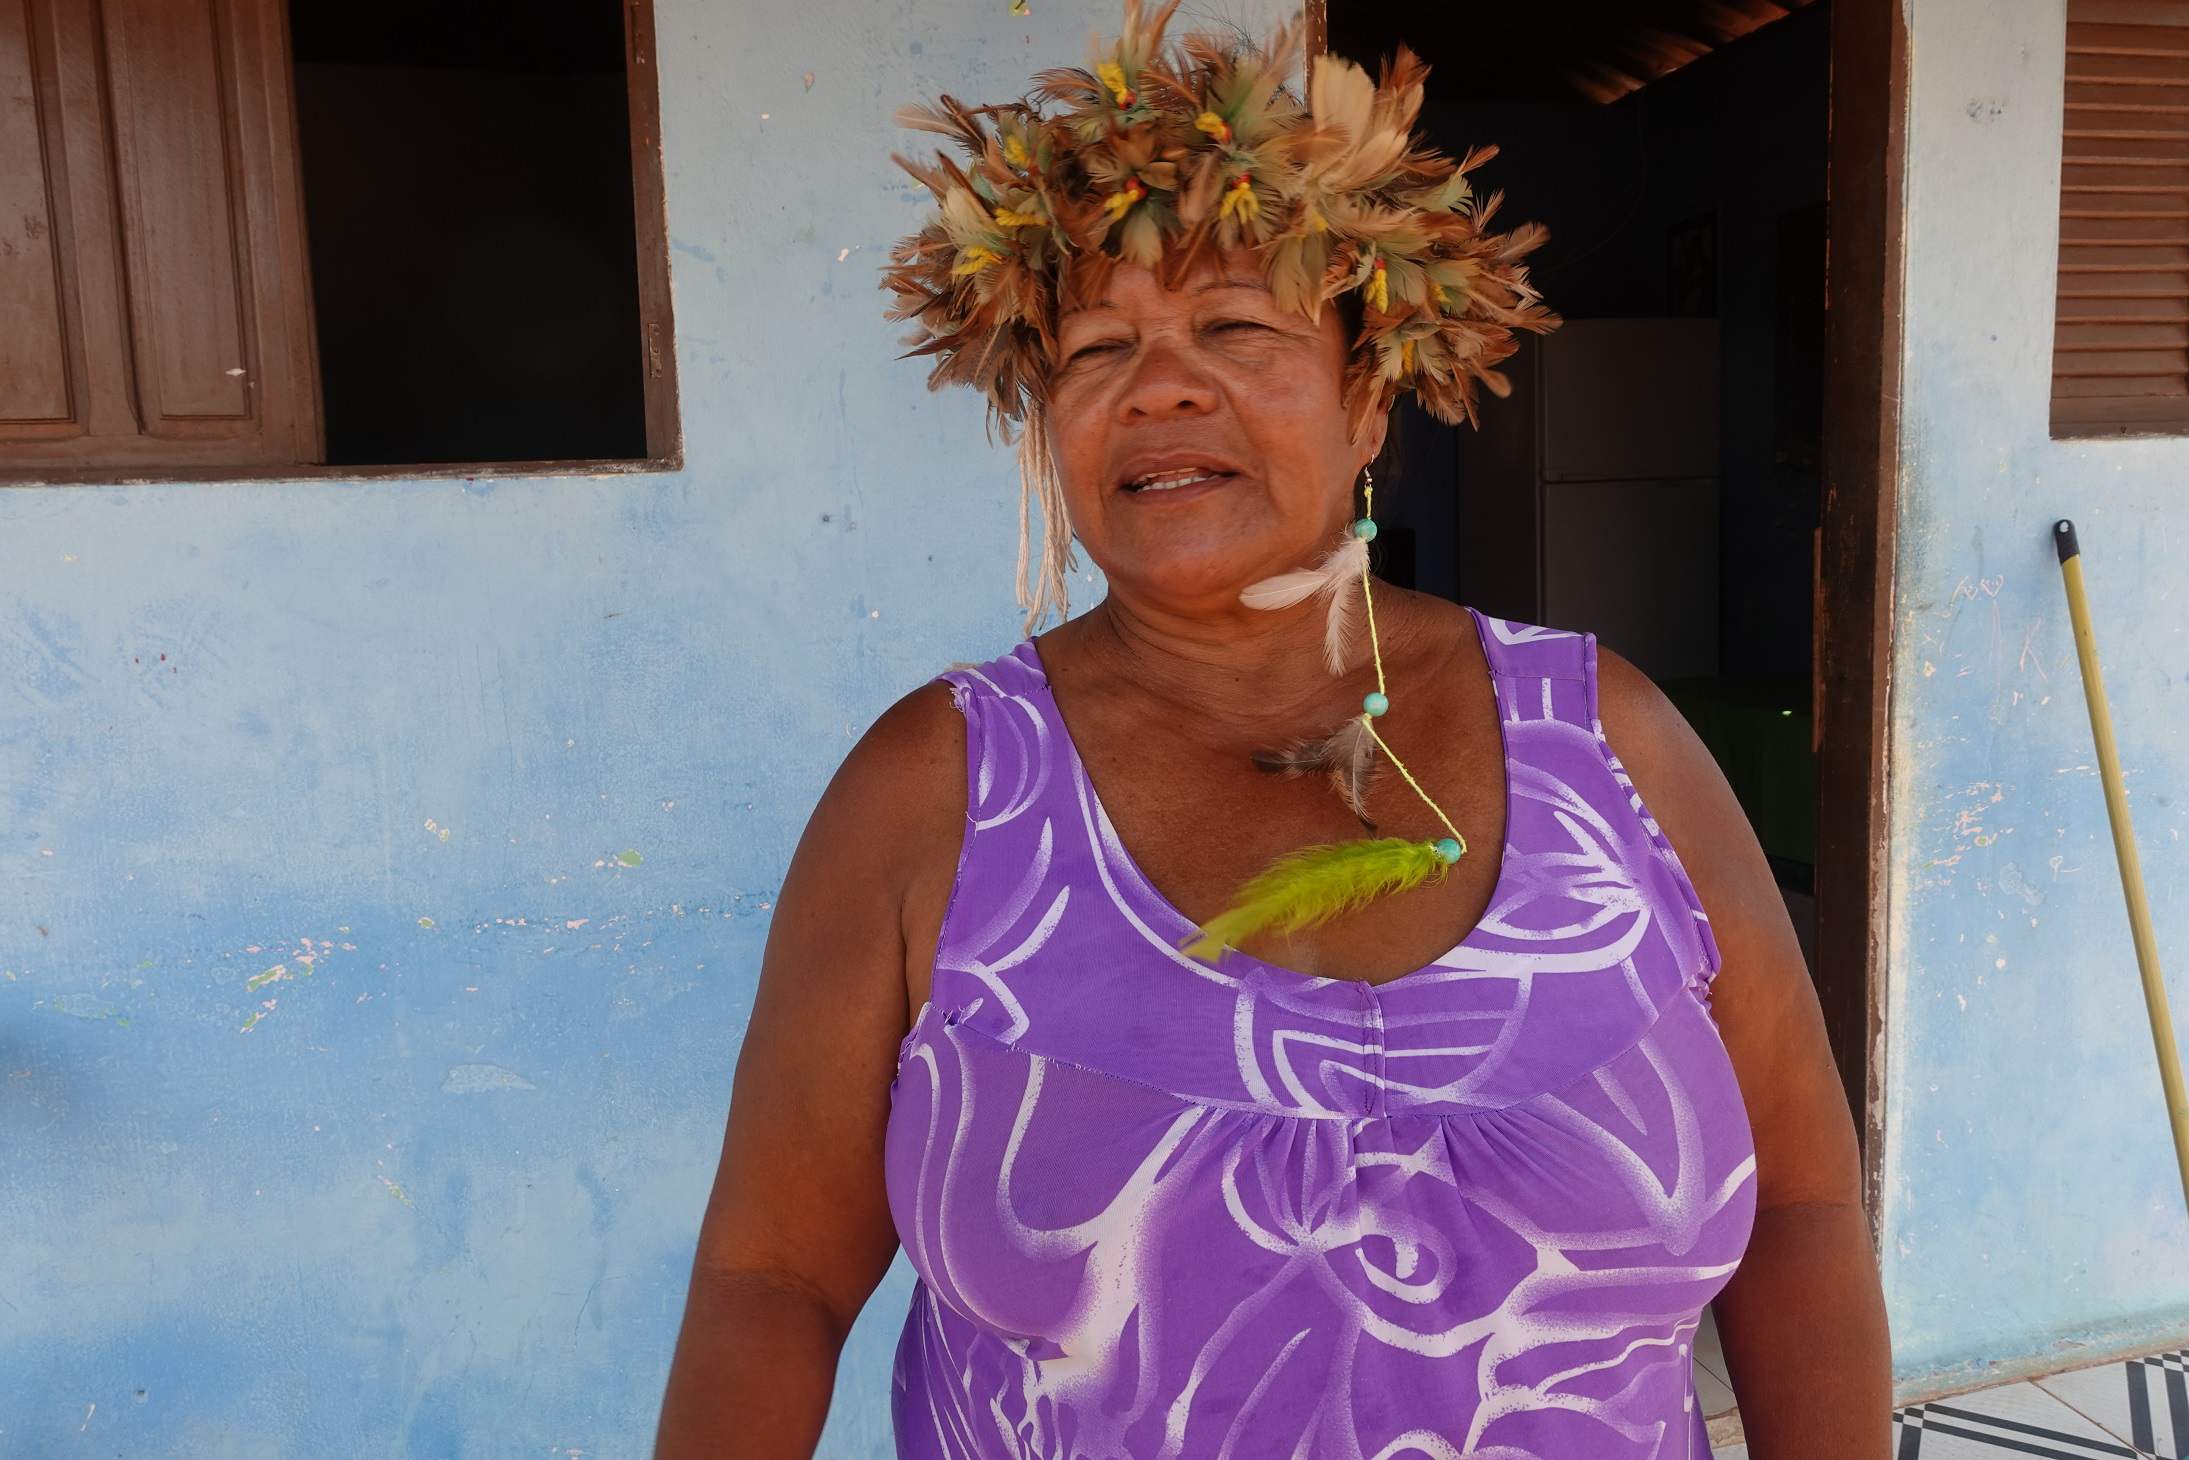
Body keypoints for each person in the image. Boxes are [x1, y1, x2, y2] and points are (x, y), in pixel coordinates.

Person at [657, 8, 1888, 1456]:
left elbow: (1803, 1211)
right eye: (1095, 347)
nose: (1159, 383)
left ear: (1373, 396)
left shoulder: (1609, 742)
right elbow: (773, 1281)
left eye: (1236, 325)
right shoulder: (940, 791)